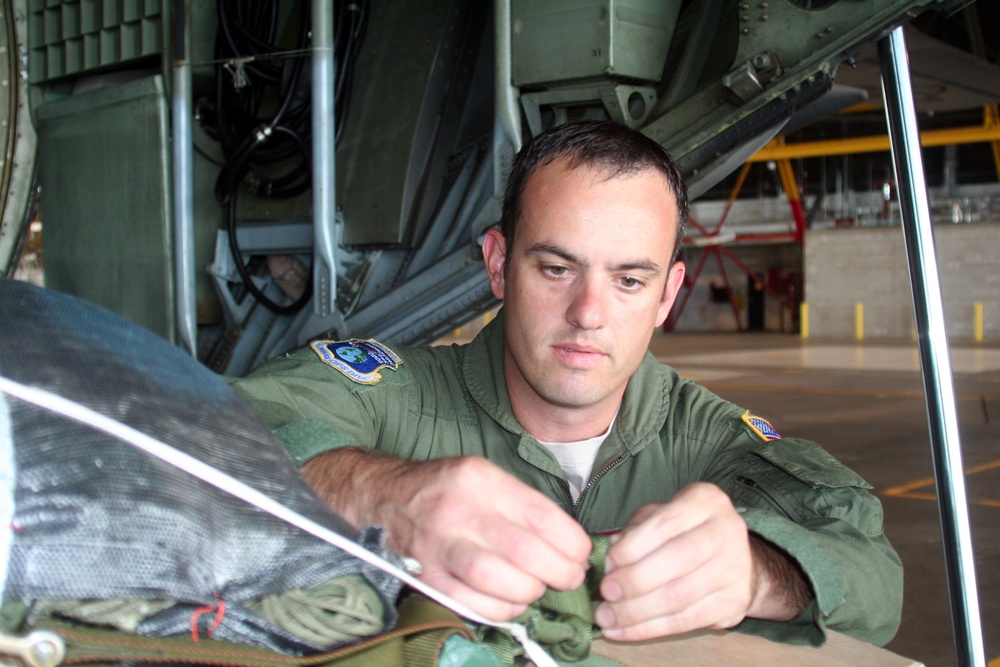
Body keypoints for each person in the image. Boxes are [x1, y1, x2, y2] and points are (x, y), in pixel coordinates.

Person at [230, 120, 902, 646]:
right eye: (556, 269)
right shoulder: (396, 397)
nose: (588, 313)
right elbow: (210, 429)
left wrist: (760, 572)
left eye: (629, 280)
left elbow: (874, 569)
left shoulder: (709, 441)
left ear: (668, 295)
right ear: (498, 266)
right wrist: (379, 494)